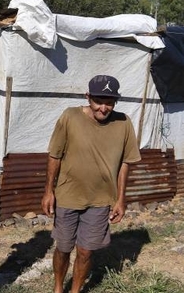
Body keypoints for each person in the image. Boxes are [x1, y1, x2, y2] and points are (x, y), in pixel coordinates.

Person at [41, 75, 141, 293]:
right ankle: (58, 287)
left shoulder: (124, 122)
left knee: (86, 251)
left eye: (109, 102)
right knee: (64, 247)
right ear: (88, 97)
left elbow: (126, 162)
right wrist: (49, 191)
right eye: (98, 101)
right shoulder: (70, 117)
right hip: (68, 196)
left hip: (100, 199)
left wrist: (121, 199)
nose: (103, 108)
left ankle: (75, 290)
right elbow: (54, 155)